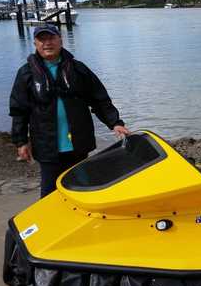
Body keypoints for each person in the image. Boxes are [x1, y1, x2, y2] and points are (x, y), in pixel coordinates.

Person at [9, 25, 130, 198]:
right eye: (42, 39)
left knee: (81, 190)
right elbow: (19, 110)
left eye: (51, 38)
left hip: (78, 144)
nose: (47, 43)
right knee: (50, 194)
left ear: (60, 40)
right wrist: (21, 142)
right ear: (35, 43)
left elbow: (99, 99)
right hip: (47, 146)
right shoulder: (26, 73)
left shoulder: (78, 69)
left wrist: (115, 122)